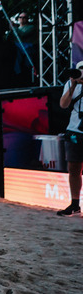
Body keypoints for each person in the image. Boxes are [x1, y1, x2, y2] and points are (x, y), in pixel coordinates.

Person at [57, 64, 83, 216]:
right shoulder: (70, 83)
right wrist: (73, 85)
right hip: (75, 129)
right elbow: (63, 104)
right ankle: (74, 204)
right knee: (74, 168)